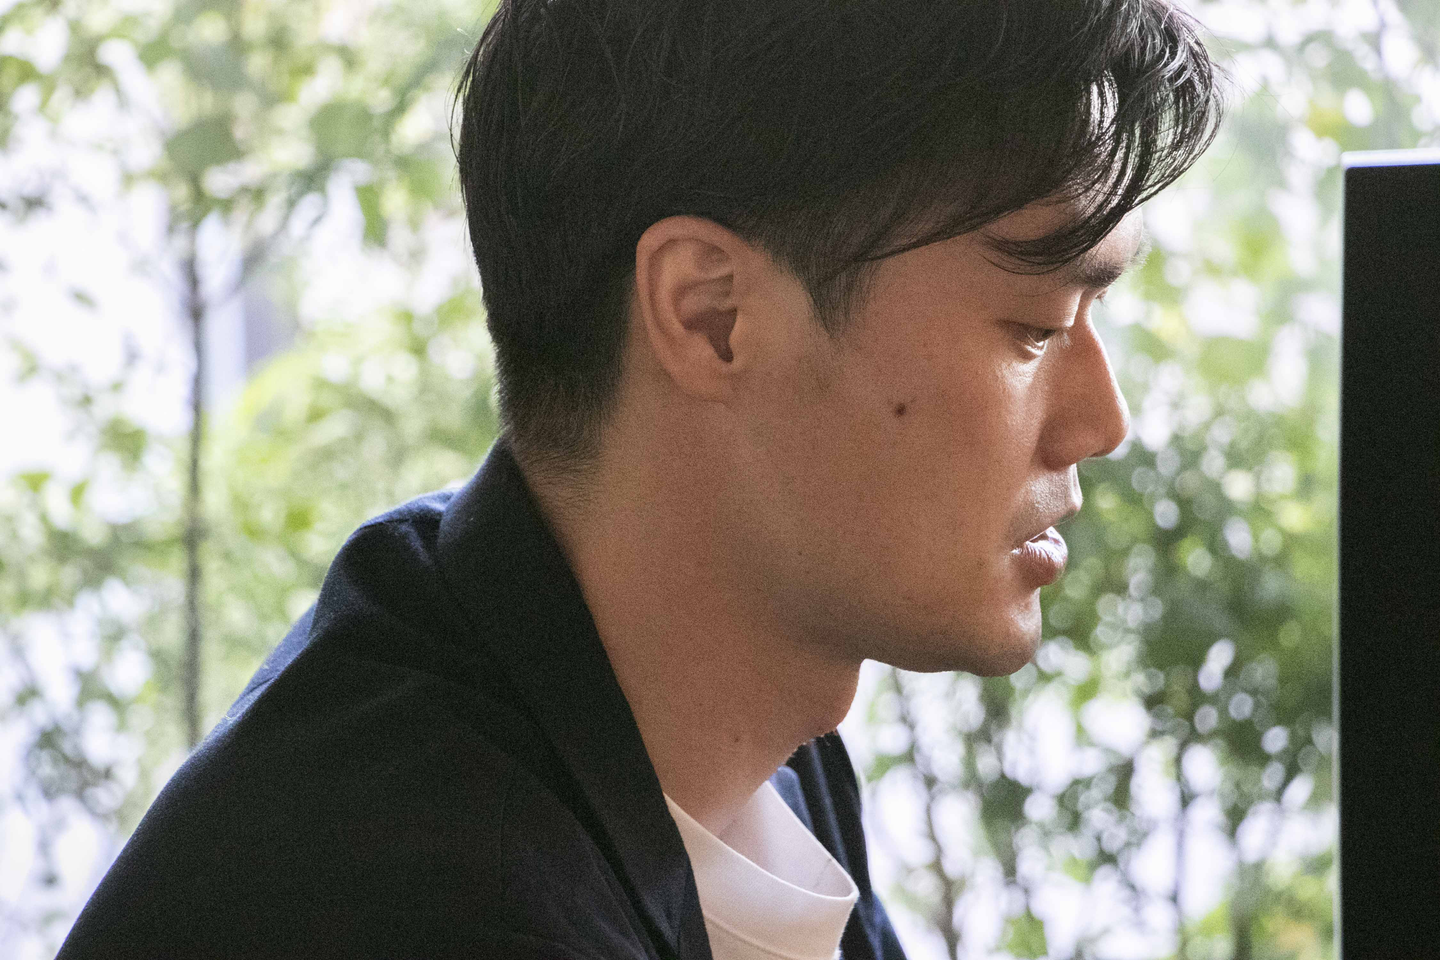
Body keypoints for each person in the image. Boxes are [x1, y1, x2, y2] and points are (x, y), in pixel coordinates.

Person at [58, 1, 1224, 957]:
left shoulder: (736, 736)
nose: (1101, 421)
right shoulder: (403, 898)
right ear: (711, 315)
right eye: (1033, 330)